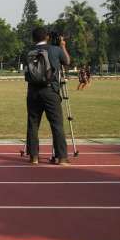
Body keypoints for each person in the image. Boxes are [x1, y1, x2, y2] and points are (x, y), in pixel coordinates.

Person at [25, 27, 71, 165]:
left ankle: (33, 156)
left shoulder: (29, 52)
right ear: (47, 37)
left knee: (33, 124)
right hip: (50, 91)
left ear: (34, 39)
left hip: (32, 92)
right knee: (56, 124)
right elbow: (67, 61)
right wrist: (62, 46)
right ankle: (61, 157)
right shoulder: (55, 50)